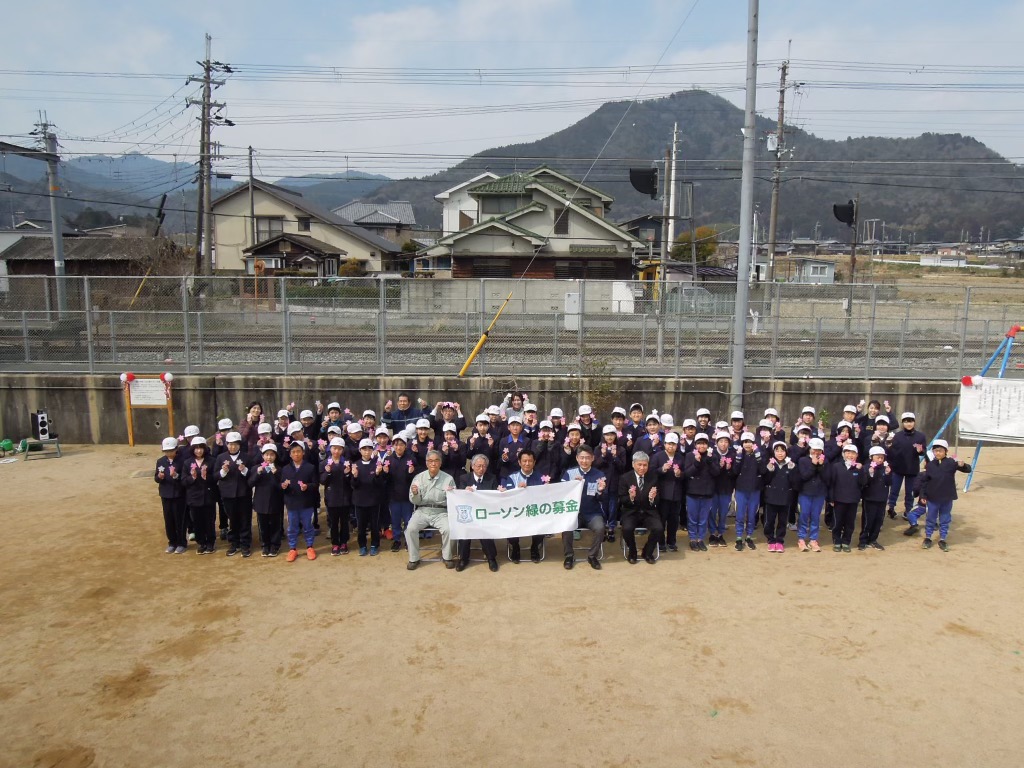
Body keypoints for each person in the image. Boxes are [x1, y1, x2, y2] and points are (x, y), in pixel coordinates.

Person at [906, 439, 971, 551]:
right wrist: (924, 496)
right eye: (935, 451)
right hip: (932, 497)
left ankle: (942, 539)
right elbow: (925, 481)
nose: (938, 453)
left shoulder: (951, 463)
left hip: (947, 497)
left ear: (946, 451)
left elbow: (968, 469)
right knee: (931, 518)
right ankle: (928, 537)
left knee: (945, 519)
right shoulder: (930, 465)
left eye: (940, 451)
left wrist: (963, 464)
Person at [406, 450, 456, 570]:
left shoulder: (448, 479)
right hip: (422, 511)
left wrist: (451, 493)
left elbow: (453, 501)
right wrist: (415, 493)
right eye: (430, 461)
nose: (433, 463)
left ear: (440, 463)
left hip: (441, 512)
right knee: (410, 529)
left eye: (436, 461)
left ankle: (447, 557)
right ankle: (414, 558)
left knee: (449, 529)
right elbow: (415, 501)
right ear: (426, 463)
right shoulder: (418, 478)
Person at [560, 445, 607, 570]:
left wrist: (601, 491)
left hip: (592, 513)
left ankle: (592, 556)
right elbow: (561, 494)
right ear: (577, 458)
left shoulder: (599, 475)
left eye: (587, 458)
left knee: (600, 527)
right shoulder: (569, 473)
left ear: (592, 458)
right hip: (573, 513)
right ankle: (569, 556)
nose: (584, 461)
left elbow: (603, 499)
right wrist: (572, 484)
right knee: (566, 528)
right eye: (582, 458)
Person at [454, 454, 501, 572]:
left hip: (485, 513)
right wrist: (464, 491)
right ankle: (463, 559)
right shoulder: (464, 479)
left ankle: (491, 558)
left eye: (484, 466)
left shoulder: (492, 478)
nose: (481, 469)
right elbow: (458, 496)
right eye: (479, 466)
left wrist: (500, 491)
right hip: (469, 514)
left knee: (484, 529)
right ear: (473, 466)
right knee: (465, 530)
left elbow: (496, 497)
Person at [618, 452, 663, 564]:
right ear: (633, 464)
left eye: (645, 465)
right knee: (627, 529)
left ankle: (647, 552)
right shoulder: (625, 478)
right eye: (639, 465)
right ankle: (632, 551)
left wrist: (652, 498)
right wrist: (631, 498)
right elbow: (622, 499)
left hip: (649, 512)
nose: (642, 468)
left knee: (659, 529)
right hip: (631, 511)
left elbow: (658, 500)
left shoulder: (653, 477)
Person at [502, 450, 547, 563]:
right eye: (524, 461)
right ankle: (515, 548)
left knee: (544, 522)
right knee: (509, 521)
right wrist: (517, 489)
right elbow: (508, 497)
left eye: (530, 461)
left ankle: (534, 548)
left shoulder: (542, 478)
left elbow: (546, 496)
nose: (527, 463)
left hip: (535, 512)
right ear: (519, 462)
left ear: (534, 462)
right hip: (518, 512)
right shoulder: (512, 477)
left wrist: (547, 488)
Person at [280, 442, 319, 562]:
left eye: (298, 451)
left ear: (303, 453)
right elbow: (281, 486)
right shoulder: (286, 469)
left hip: (306, 503)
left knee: (308, 526)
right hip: (292, 503)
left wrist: (307, 486)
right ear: (290, 455)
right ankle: (292, 548)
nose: (296, 454)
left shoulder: (310, 467)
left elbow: (316, 484)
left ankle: (310, 547)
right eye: (293, 452)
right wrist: (284, 486)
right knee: (292, 527)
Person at [217, 431, 254, 558]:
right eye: (230, 444)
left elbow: (252, 476)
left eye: (235, 444)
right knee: (232, 519)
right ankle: (234, 543)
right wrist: (223, 471)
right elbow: (215, 475)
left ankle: (245, 545)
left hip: (244, 494)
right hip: (228, 494)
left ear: (239, 445)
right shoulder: (221, 458)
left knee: (245, 519)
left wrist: (244, 470)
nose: (233, 447)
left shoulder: (246, 457)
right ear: (226, 444)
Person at [350, 437, 386, 556]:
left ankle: (375, 545)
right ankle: (363, 545)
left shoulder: (377, 464)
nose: (366, 452)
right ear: (360, 451)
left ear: (372, 450)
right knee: (361, 526)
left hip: (374, 501)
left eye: (369, 449)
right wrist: (355, 476)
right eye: (364, 449)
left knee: (375, 525)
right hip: (360, 501)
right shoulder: (355, 465)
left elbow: (380, 484)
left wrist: (377, 474)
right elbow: (353, 485)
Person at [887, 412, 927, 519]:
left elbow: (924, 451)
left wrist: (920, 450)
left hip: (912, 468)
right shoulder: (897, 436)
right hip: (898, 467)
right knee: (894, 489)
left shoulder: (920, 436)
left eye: (910, 421)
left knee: (910, 491)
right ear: (902, 423)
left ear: (914, 422)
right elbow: (892, 452)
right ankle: (891, 507)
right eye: (906, 421)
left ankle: (908, 510)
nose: (908, 424)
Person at [684, 433, 719, 552]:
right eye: (699, 443)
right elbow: (687, 473)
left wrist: (709, 461)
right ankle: (693, 539)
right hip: (692, 492)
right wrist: (696, 463)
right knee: (692, 517)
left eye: (704, 443)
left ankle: (700, 539)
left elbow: (716, 473)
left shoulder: (713, 456)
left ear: (708, 445)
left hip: (707, 492)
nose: (701, 446)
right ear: (695, 445)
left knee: (703, 519)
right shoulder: (690, 456)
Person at [763, 442, 801, 552]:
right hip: (771, 497)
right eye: (777, 450)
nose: (780, 453)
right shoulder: (770, 463)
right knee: (769, 521)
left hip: (785, 498)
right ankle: (770, 540)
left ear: (786, 452)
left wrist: (792, 470)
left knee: (782, 521)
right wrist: (769, 470)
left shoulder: (791, 465)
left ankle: (779, 541)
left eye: (782, 450)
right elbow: (765, 481)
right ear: (773, 452)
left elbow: (795, 483)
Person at [182, 436, 217, 555]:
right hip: (194, 497)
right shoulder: (187, 463)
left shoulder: (212, 461)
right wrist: (192, 477)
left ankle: (210, 543)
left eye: (201, 448)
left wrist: (206, 477)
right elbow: (183, 481)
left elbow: (216, 478)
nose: (199, 451)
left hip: (208, 496)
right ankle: (201, 542)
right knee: (197, 521)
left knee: (209, 520)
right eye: (196, 448)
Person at [651, 432, 686, 551]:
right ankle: (660, 543)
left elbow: (685, 474)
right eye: (669, 444)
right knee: (661, 518)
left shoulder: (680, 457)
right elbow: (651, 472)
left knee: (673, 520)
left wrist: (679, 474)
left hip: (676, 494)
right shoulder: (658, 456)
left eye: (673, 444)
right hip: (662, 493)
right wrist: (662, 469)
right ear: (664, 444)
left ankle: (671, 541)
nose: (671, 446)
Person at [829, 443, 867, 552]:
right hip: (838, 499)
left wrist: (861, 470)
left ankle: (846, 542)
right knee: (837, 522)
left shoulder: (858, 468)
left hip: (853, 500)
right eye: (848, 452)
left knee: (849, 523)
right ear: (843, 454)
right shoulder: (836, 466)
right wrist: (831, 498)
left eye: (853, 453)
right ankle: (837, 541)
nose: (850, 455)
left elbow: (863, 482)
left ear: (857, 455)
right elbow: (831, 483)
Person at [249, 443, 284, 557]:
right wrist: (258, 472)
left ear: (275, 456)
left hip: (275, 501)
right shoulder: (256, 468)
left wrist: (276, 474)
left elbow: (282, 486)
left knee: (275, 525)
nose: (269, 457)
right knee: (263, 526)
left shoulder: (279, 469)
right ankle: (265, 545)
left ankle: (275, 545)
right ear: (263, 456)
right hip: (261, 502)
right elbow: (250, 483)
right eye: (267, 455)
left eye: (272, 455)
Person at [733, 432, 766, 550]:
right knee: (740, 515)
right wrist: (737, 457)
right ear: (742, 443)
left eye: (750, 442)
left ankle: (749, 536)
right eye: (745, 442)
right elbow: (735, 472)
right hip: (741, 490)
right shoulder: (739, 455)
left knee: (752, 515)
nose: (747, 444)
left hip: (754, 490)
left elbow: (763, 471)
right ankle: (738, 537)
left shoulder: (759, 455)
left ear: (753, 443)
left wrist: (758, 457)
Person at [320, 437, 352, 556]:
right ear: (330, 449)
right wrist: (327, 472)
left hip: (345, 498)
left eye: (339, 449)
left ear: (343, 450)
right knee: (333, 523)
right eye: (334, 448)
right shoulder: (324, 463)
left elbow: (351, 481)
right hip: (331, 498)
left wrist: (348, 474)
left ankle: (344, 542)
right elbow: (322, 481)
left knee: (344, 522)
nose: (336, 451)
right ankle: (335, 544)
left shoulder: (347, 463)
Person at [155, 436, 187, 554]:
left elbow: (184, 479)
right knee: (168, 519)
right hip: (166, 494)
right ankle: (172, 542)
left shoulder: (182, 461)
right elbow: (156, 478)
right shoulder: (160, 461)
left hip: (179, 494)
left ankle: (181, 542)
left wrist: (175, 476)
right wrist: (159, 477)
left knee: (180, 519)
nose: (168, 453)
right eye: (166, 451)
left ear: (176, 449)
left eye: (171, 450)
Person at [797, 438, 829, 552]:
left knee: (816, 516)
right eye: (814, 449)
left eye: (819, 450)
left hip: (819, 493)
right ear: (809, 448)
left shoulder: (825, 461)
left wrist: (820, 466)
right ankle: (801, 538)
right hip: (805, 493)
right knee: (804, 515)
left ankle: (813, 539)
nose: (816, 452)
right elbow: (804, 476)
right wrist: (813, 465)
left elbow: (827, 478)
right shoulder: (803, 460)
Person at [386, 432, 416, 552]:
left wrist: (411, 472)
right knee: (395, 520)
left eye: (401, 445)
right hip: (393, 496)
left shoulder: (410, 459)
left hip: (407, 496)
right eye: (396, 444)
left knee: (408, 520)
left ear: (405, 446)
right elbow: (385, 480)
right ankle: (397, 539)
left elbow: (414, 479)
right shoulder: (388, 460)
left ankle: (408, 540)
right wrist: (385, 472)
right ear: (393, 446)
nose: (399, 447)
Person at [859, 445, 892, 550]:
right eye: (877, 457)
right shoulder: (866, 467)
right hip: (869, 498)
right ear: (871, 457)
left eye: (882, 457)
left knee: (878, 520)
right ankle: (863, 541)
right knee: (868, 520)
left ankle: (873, 540)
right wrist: (870, 473)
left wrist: (887, 474)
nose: (880, 459)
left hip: (882, 498)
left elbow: (889, 482)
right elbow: (864, 482)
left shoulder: (885, 468)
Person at [709, 432, 738, 547]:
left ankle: (720, 534)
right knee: (711, 512)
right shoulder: (712, 454)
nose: (723, 444)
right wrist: (720, 467)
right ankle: (712, 533)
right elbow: (711, 472)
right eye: (721, 441)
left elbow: (735, 473)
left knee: (723, 512)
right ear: (716, 443)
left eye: (726, 441)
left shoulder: (733, 454)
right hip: (713, 488)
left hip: (726, 489)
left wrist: (729, 469)